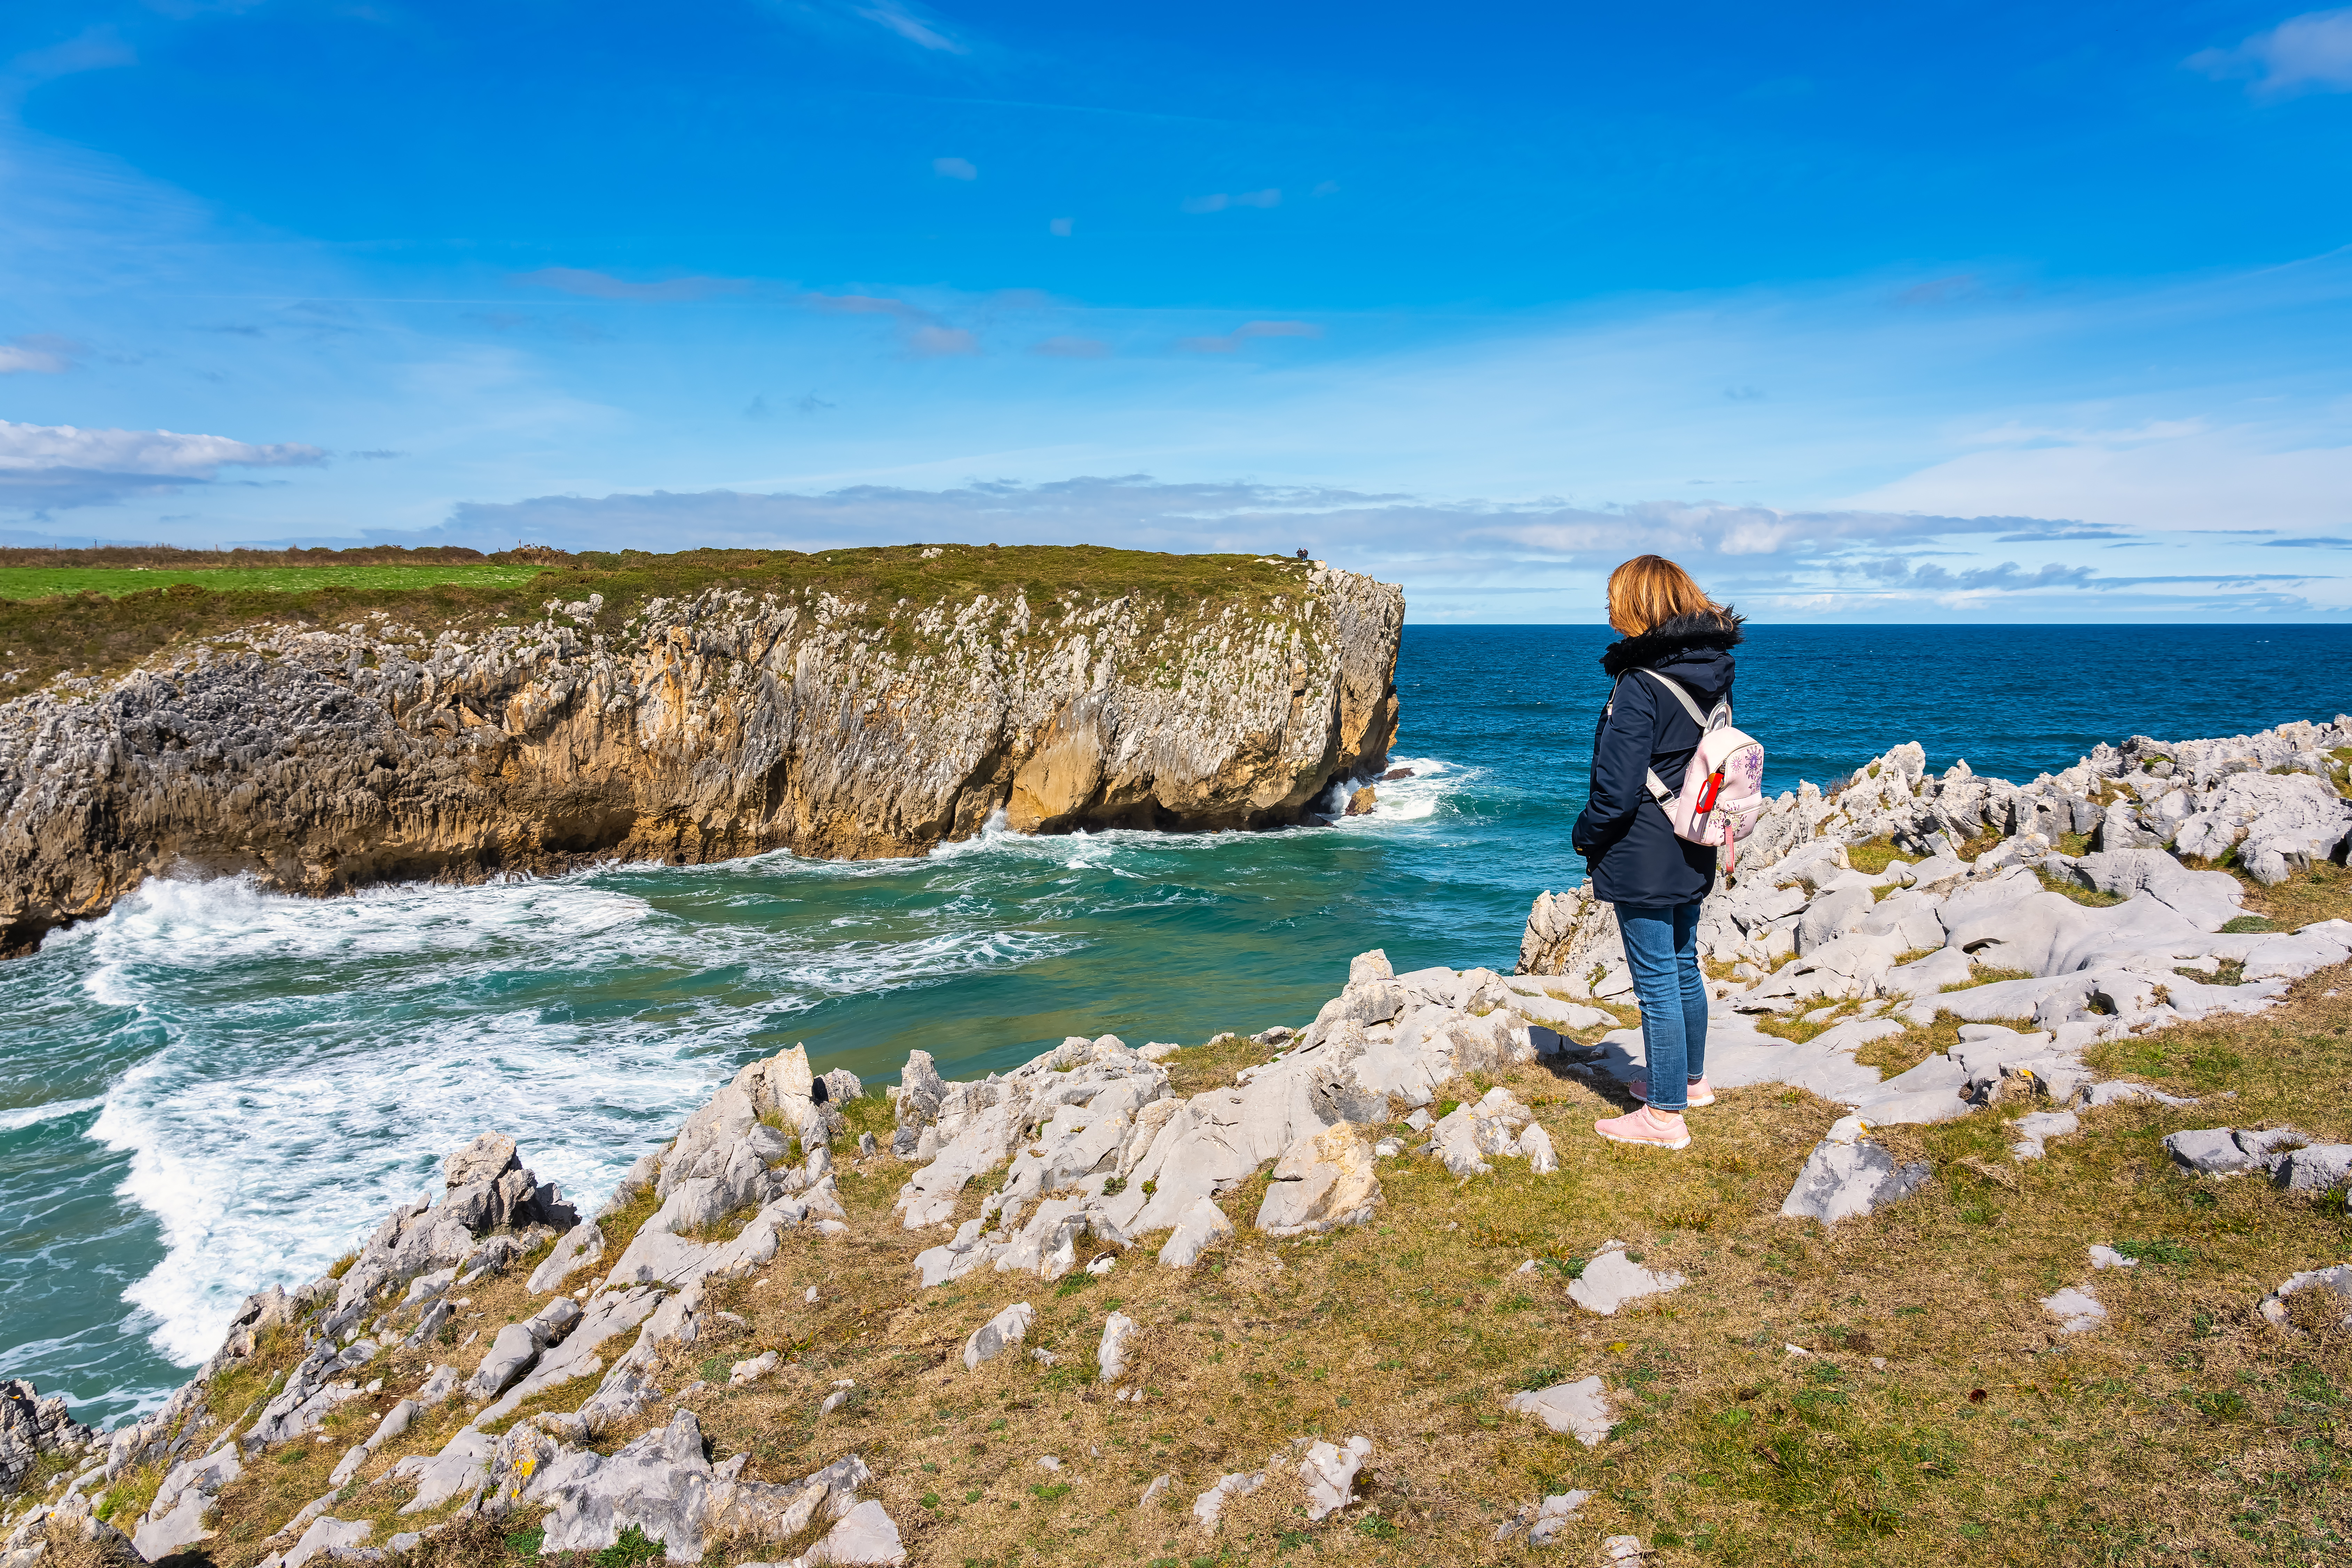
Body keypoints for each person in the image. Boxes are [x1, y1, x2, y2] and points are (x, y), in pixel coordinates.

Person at [1571, 555, 1744, 1150]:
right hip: (1693, 836)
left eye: (1614, 601)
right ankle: (1689, 1082)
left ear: (1640, 605)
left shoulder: (1639, 683)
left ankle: (1664, 1116)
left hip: (1644, 847)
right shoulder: (1712, 671)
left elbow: (1615, 791)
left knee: (1655, 982)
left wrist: (1584, 834)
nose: (1608, 613)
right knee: (1682, 964)